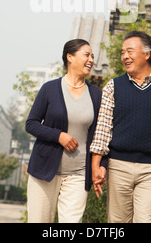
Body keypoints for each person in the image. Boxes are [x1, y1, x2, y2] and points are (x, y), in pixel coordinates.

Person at [90, 30, 151, 223]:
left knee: (146, 220)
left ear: (147, 54)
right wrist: (96, 165)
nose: (125, 56)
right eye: (123, 52)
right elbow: (103, 130)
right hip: (118, 166)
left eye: (130, 51)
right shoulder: (112, 87)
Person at [25, 39, 107, 223]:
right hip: (44, 173)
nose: (91, 60)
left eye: (92, 56)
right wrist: (58, 136)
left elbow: (101, 135)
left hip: (78, 174)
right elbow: (31, 123)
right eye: (87, 55)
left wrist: (103, 166)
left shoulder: (96, 95)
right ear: (70, 57)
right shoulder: (50, 89)